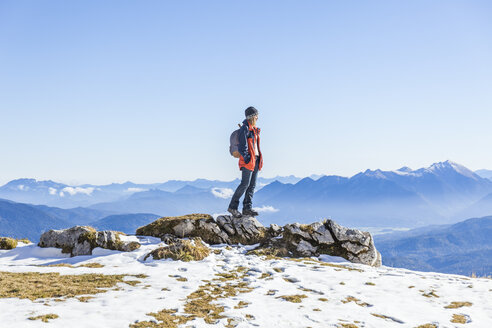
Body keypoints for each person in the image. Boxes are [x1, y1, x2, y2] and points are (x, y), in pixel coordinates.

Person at [227, 106, 263, 218]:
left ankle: (247, 208)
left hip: (256, 160)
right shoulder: (245, 129)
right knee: (244, 184)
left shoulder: (254, 129)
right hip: (248, 161)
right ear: (253, 116)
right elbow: (243, 147)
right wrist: (247, 158)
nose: (258, 117)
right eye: (256, 115)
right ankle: (232, 207)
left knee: (252, 185)